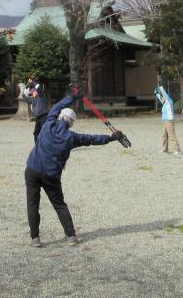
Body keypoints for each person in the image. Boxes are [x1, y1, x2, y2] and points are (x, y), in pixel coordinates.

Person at [25, 84, 124, 247]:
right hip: (50, 175)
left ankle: (35, 238)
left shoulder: (49, 124)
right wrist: (112, 137)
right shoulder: (71, 137)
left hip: (32, 169)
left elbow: (57, 107)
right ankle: (71, 236)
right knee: (59, 205)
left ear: (59, 117)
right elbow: (92, 139)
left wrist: (72, 97)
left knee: (32, 204)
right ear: (71, 123)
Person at [155, 85, 181, 154]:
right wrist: (156, 93)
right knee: (164, 136)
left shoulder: (169, 102)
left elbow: (164, 94)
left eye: (163, 98)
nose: (162, 99)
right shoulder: (164, 103)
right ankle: (164, 149)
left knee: (172, 135)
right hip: (164, 121)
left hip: (169, 121)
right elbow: (160, 98)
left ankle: (177, 150)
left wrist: (160, 88)